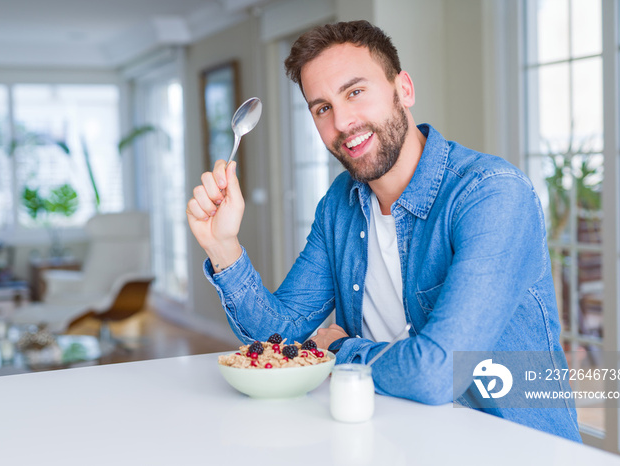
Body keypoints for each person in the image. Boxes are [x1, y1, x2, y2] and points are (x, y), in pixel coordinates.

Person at [186, 20, 581, 442]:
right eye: (322, 108)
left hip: (512, 448)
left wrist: (339, 350)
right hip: (391, 440)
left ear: (403, 90)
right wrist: (223, 246)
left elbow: (439, 373)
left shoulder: (491, 195)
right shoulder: (340, 204)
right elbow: (279, 336)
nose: (342, 122)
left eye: (355, 92)